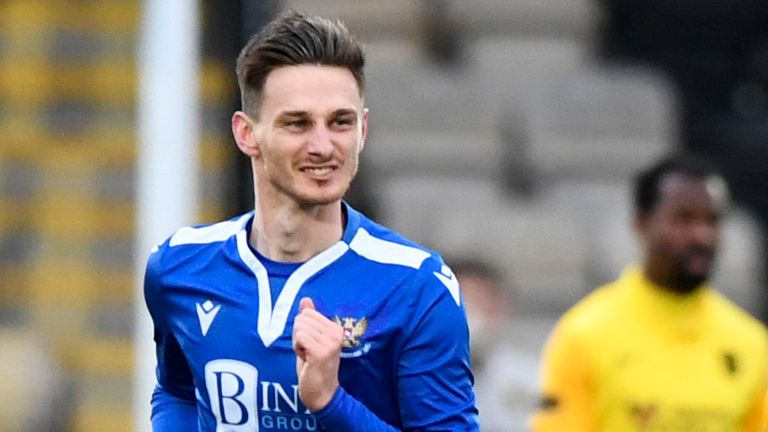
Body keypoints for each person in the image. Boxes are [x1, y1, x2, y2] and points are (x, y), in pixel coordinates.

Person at [143, 10, 479, 432]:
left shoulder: (417, 288)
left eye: (341, 122)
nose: (323, 146)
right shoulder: (178, 268)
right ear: (247, 134)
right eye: (297, 123)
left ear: (363, 130)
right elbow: (177, 392)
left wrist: (331, 403)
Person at [530, 154, 768, 431]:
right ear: (642, 224)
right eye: (684, 219)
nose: (701, 236)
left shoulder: (751, 343)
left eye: (712, 221)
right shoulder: (585, 334)